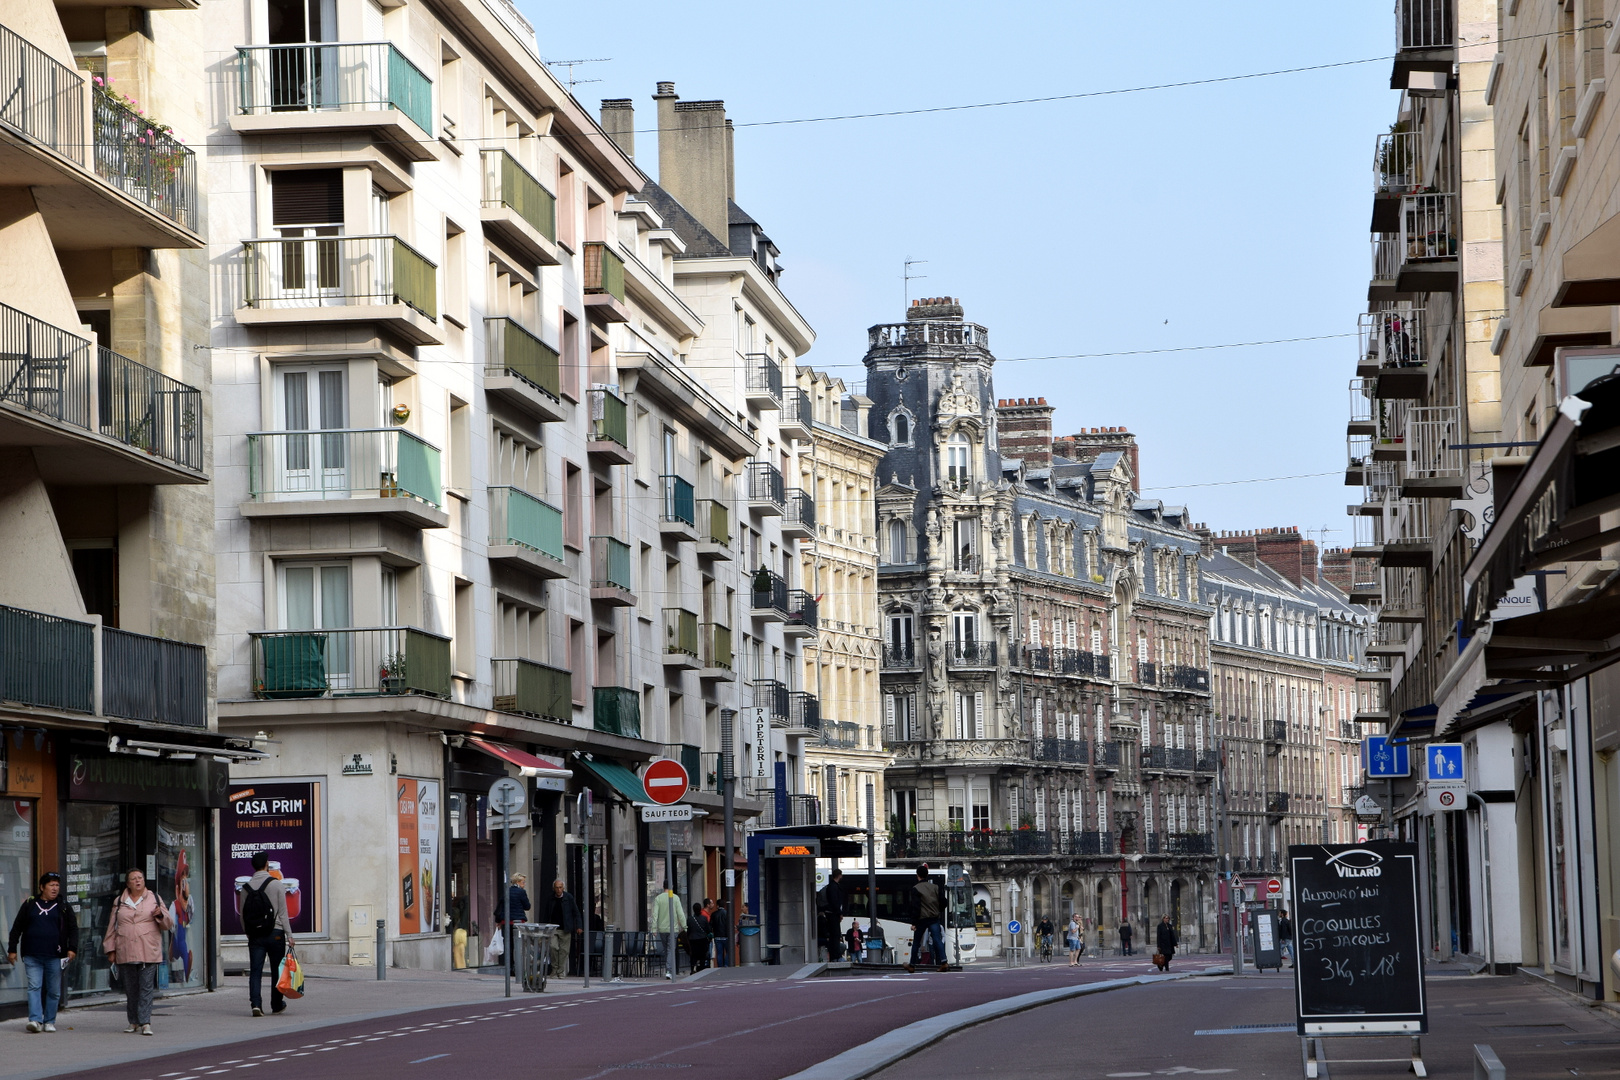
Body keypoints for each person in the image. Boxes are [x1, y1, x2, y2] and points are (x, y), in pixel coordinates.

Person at [104, 868, 172, 1035]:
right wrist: (110, 949)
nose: (137, 881)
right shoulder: (120, 901)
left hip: (148, 949)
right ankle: (133, 1021)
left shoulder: (154, 898)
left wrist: (160, 915)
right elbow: (112, 927)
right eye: (133, 879)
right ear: (128, 883)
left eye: (140, 878)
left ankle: (145, 1022)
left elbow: (168, 924)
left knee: (146, 987)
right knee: (131, 988)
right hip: (125, 949)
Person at [8, 872, 78, 1033]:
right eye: (51, 885)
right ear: (42, 887)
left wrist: (72, 948)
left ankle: (49, 1020)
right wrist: (12, 949)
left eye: (57, 885)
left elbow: (73, 929)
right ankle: (35, 1020)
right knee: (34, 986)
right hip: (32, 954)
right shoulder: (30, 904)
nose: (55, 888)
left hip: (54, 955)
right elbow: (17, 927)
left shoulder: (63, 906)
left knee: (53, 990)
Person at [237, 852, 294, 1018]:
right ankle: (276, 1004)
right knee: (277, 970)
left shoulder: (246, 887)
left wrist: (248, 933)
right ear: (266, 865)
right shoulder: (277, 885)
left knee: (256, 971)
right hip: (275, 933)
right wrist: (289, 935)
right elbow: (283, 913)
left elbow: (242, 915)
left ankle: (256, 1004)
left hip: (255, 935)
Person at [905, 866, 947, 973]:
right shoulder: (935, 887)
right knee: (937, 940)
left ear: (917, 875)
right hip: (934, 918)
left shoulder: (916, 888)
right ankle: (944, 962)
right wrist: (938, 910)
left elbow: (916, 906)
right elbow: (944, 902)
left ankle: (912, 965)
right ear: (927, 875)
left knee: (916, 942)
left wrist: (914, 922)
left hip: (922, 919)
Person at [493, 873, 531, 973]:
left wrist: (498, 921)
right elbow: (527, 906)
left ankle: (509, 967)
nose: (524, 884)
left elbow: (500, 906)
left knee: (508, 945)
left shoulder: (506, 891)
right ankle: (517, 967)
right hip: (518, 923)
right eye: (523, 882)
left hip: (506, 922)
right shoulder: (521, 892)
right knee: (518, 945)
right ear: (518, 882)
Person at [546, 879, 582, 977]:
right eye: (557, 887)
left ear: (563, 888)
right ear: (554, 888)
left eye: (560, 887)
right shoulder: (550, 898)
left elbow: (576, 912)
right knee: (553, 947)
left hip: (565, 928)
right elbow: (545, 913)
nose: (558, 890)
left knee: (564, 951)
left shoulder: (568, 898)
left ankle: (560, 971)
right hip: (553, 928)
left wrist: (579, 926)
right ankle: (554, 969)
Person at [650, 884, 686, 978]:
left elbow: (655, 914)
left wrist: (654, 928)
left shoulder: (658, 898)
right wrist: (685, 927)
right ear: (672, 887)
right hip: (673, 929)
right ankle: (669, 970)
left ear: (663, 887)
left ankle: (668, 968)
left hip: (662, 929)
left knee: (667, 950)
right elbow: (680, 914)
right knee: (671, 950)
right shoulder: (675, 898)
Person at [821, 869, 846, 961]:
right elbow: (835, 901)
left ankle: (835, 955)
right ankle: (835, 955)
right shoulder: (834, 887)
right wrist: (839, 913)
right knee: (835, 935)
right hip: (833, 914)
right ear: (839, 875)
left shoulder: (831, 886)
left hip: (832, 913)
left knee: (834, 935)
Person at [686, 901, 712, 972]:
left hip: (693, 939)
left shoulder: (690, 919)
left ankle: (692, 968)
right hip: (702, 939)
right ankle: (701, 968)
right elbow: (708, 929)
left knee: (693, 955)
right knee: (702, 955)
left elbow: (688, 930)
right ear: (700, 909)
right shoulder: (704, 918)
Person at [707, 899, 731, 968]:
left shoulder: (714, 914)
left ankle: (720, 966)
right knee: (728, 952)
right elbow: (729, 924)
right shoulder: (727, 913)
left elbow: (710, 925)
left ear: (717, 906)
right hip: (726, 936)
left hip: (717, 936)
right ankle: (726, 965)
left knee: (719, 953)